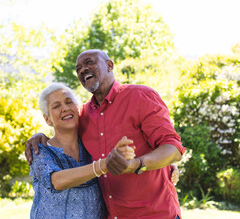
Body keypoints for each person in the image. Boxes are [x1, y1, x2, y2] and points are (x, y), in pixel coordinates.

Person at [25, 49, 186, 219]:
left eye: (89, 62)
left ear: (110, 65)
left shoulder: (140, 96)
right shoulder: (84, 115)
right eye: (78, 68)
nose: (82, 70)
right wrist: (38, 136)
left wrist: (140, 164)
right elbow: (62, 131)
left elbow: (173, 148)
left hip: (155, 214)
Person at [30, 83, 136, 219]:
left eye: (69, 102)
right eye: (56, 106)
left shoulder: (92, 146)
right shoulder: (40, 151)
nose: (65, 108)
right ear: (47, 119)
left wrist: (165, 167)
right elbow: (56, 181)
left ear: (78, 108)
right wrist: (104, 164)